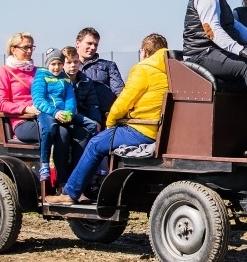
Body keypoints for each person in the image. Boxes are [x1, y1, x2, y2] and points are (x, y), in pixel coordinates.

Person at [46, 34, 169, 205]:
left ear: (145, 52)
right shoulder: (170, 69)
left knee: (96, 143)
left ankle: (70, 193)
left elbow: (122, 103)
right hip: (160, 130)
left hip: (141, 130)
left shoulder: (143, 69)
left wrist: (110, 124)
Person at [32, 48, 99, 184]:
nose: (56, 67)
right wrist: (55, 112)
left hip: (64, 113)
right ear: (47, 64)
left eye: (59, 64)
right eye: (53, 64)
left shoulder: (65, 79)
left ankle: (88, 168)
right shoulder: (41, 77)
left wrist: (69, 112)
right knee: (51, 130)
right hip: (49, 113)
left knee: (91, 126)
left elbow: (70, 99)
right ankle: (45, 164)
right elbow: (38, 100)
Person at [62, 45, 104, 182]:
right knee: (79, 135)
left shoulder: (86, 81)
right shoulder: (59, 81)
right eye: (68, 62)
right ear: (62, 64)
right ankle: (70, 180)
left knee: (96, 134)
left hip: (81, 119)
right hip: (65, 119)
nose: (73, 65)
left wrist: (96, 120)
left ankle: (91, 177)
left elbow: (93, 104)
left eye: (75, 62)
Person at [0, 32, 42, 142]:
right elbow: (1, 103)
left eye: (31, 47)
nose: (29, 51)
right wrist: (27, 109)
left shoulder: (39, 71)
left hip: (44, 116)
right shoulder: (3, 71)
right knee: (58, 132)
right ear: (13, 49)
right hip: (22, 122)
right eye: (25, 47)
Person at [74, 27, 125, 121]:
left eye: (96, 44)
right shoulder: (65, 67)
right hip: (75, 116)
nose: (93, 47)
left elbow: (120, 93)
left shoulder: (108, 66)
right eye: (89, 43)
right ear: (78, 43)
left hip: (104, 117)